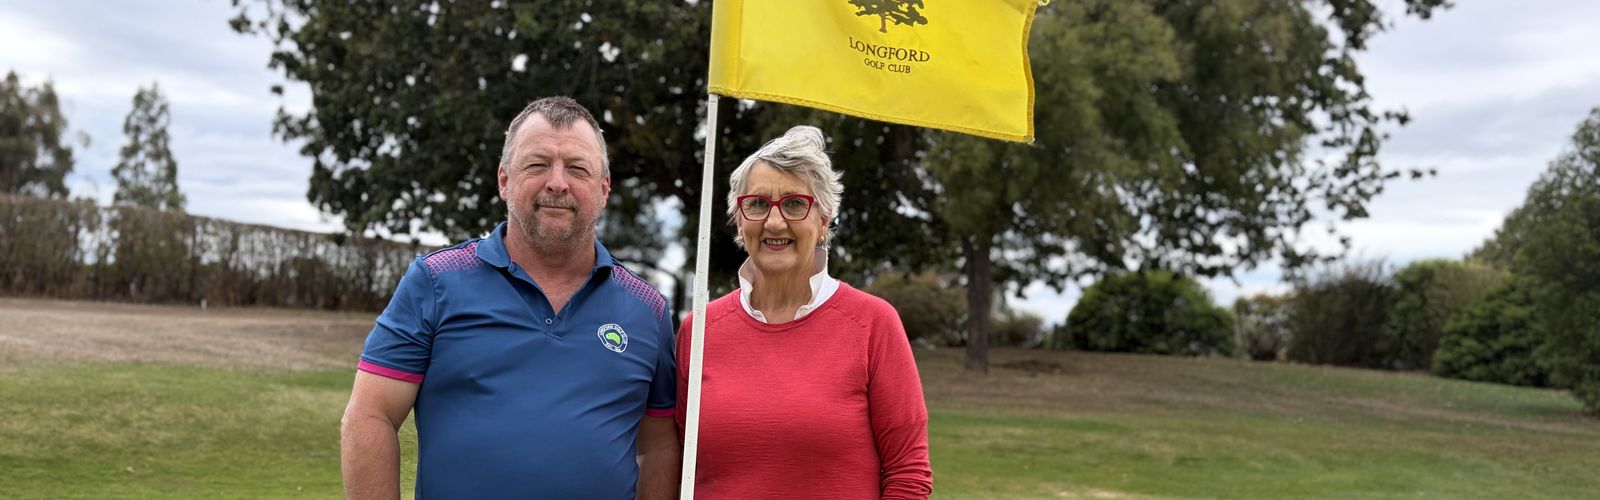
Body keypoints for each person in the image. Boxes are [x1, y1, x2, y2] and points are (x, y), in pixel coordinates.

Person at [342, 97, 681, 499]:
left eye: (577, 168)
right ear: (504, 180)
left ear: (604, 189)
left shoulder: (647, 310)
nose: (557, 182)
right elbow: (371, 415)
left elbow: (657, 446)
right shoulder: (435, 282)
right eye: (537, 165)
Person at [676, 126, 933, 498]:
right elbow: (681, 463)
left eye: (795, 204)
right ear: (739, 219)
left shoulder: (873, 324)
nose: (775, 222)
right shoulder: (700, 330)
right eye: (758, 204)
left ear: (824, 221)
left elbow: (908, 473)